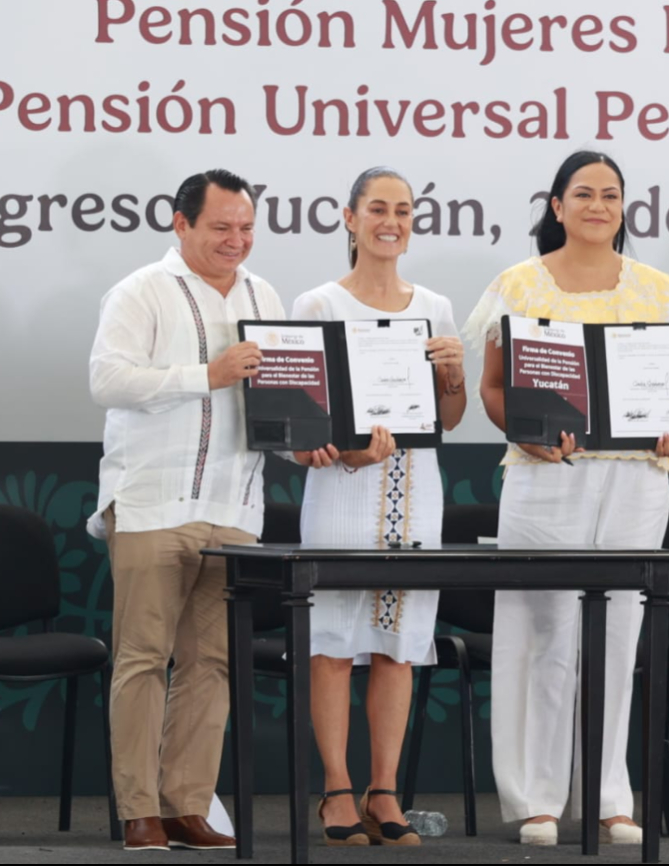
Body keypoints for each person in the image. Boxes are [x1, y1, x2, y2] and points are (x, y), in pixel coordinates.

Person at [463, 151, 669, 846]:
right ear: (557, 205)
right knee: (543, 636)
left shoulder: (659, 292)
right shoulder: (517, 285)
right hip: (545, 478)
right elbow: (493, 388)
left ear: (622, 208)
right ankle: (535, 800)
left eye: (610, 195)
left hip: (634, 481)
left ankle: (607, 796)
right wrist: (526, 434)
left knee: (619, 634)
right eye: (583, 194)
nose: (597, 205)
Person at [88, 169, 285, 851]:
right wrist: (207, 375)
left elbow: (274, 403)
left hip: (234, 505)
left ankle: (186, 805)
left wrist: (306, 443)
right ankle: (137, 808)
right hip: (149, 501)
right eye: (220, 227)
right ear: (181, 224)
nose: (236, 240)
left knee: (213, 664)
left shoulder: (266, 295)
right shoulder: (140, 291)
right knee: (142, 658)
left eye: (245, 227)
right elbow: (107, 380)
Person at [290, 167, 467, 847]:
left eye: (403, 210)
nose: (391, 221)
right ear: (349, 217)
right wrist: (344, 450)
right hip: (342, 490)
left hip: (416, 490)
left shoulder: (435, 306)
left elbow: (445, 417)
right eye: (377, 209)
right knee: (332, 644)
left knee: (398, 646)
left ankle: (383, 789)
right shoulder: (318, 306)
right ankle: (335, 788)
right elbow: (301, 419)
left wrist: (451, 373)